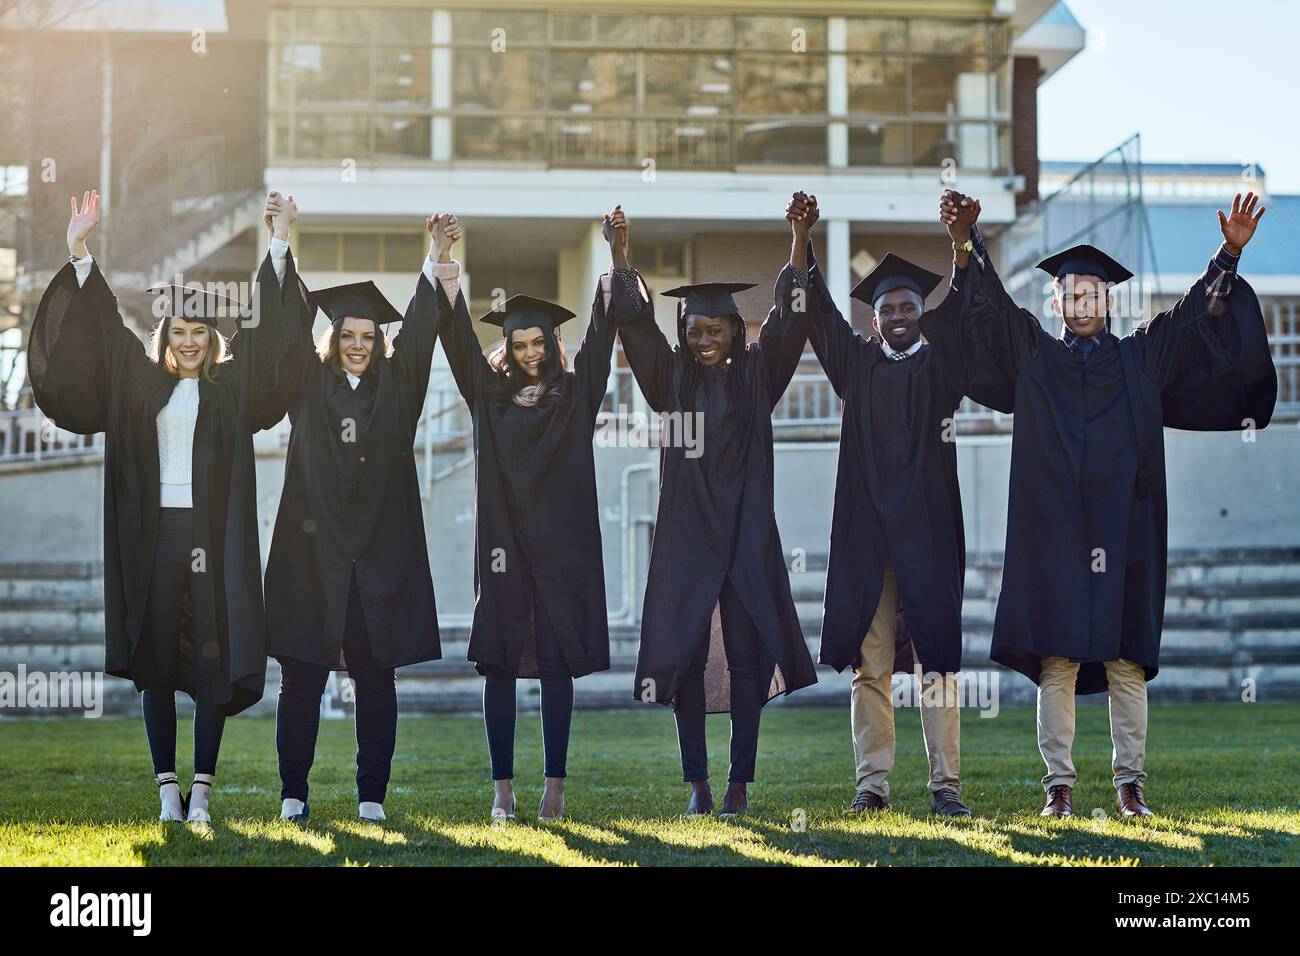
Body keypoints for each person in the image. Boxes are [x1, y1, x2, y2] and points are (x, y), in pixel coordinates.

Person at [942, 189, 1275, 818]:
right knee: (1058, 658)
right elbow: (991, 305)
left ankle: (1130, 785)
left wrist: (1227, 253)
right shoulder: (1035, 358)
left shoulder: (1140, 356)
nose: (1082, 300)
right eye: (1071, 293)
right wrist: (969, 242)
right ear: (1060, 302)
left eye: (1093, 292)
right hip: (1055, 535)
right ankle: (1059, 787)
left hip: (1127, 530)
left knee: (1125, 660)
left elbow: (1193, 314)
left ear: (1108, 300)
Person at [27, 190, 294, 823]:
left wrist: (279, 242)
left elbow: (270, 338)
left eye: (201, 330)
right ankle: (167, 790)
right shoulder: (140, 381)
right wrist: (80, 251)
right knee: (153, 656)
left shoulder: (232, 391)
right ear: (166, 334)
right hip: (155, 535)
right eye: (180, 329)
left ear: (213, 336)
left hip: (213, 534)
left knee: (212, 653)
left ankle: (203, 788)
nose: (191, 339)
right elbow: (103, 324)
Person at [436, 207, 642, 822]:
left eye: (539, 343)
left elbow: (605, 333)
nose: (529, 353)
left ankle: (554, 787)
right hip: (502, 544)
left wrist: (619, 257)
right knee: (498, 663)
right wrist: (445, 260)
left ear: (553, 344)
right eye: (519, 343)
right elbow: (455, 341)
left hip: (563, 546)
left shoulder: (577, 395)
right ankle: (503, 789)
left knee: (556, 666)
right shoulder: (489, 396)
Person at [615, 206, 818, 817]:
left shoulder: (760, 377)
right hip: (686, 537)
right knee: (688, 655)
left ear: (734, 329)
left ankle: (739, 783)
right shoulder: (669, 380)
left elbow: (790, 320)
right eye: (695, 331)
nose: (705, 341)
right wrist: (621, 257)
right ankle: (698, 783)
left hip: (747, 534)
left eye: (716, 330)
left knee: (747, 656)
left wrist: (799, 239)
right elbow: (636, 325)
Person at [262, 197, 452, 823]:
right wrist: (281, 237)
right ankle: (294, 795)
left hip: (377, 555)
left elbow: (422, 333)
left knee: (376, 681)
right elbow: (286, 325)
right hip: (312, 556)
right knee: (303, 682)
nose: (358, 345)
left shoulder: (397, 393)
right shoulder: (307, 388)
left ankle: (371, 798)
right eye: (347, 335)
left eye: (368, 336)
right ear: (333, 338)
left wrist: (436, 257)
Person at [790, 191, 975, 816]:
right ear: (873, 318)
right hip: (869, 539)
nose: (896, 315)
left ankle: (946, 787)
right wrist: (802, 240)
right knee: (871, 668)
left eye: (907, 307)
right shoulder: (857, 365)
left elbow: (969, 308)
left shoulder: (943, 367)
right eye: (886, 308)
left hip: (927, 535)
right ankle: (872, 786)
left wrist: (960, 244)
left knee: (939, 666)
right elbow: (815, 311)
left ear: (921, 313)